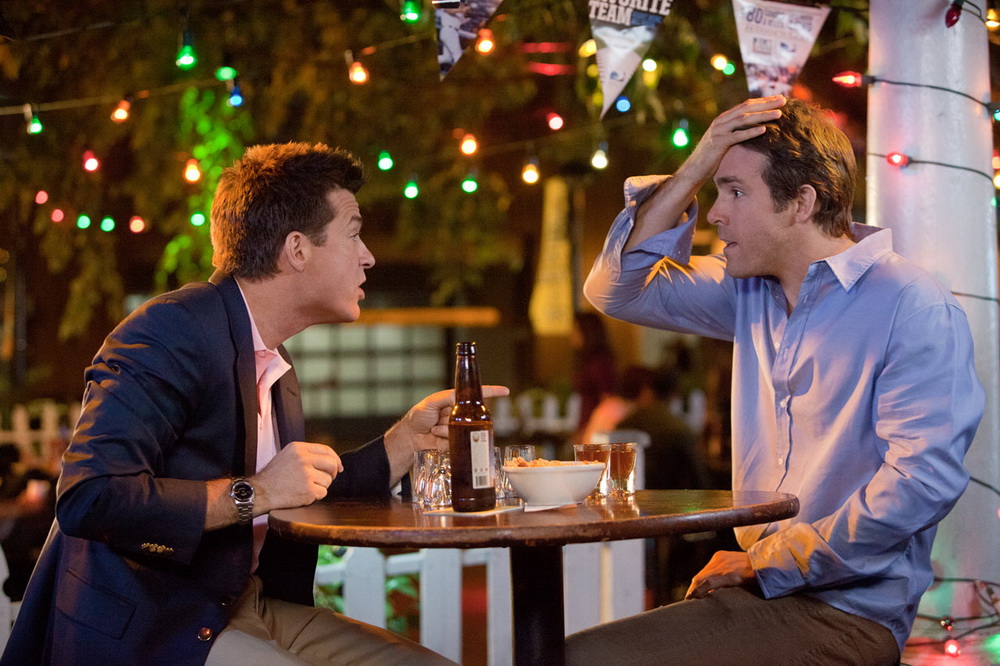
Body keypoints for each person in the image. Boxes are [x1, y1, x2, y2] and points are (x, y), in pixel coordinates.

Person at [3, 142, 508, 665]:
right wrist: (256, 492)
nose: (368, 256)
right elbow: (90, 496)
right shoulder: (170, 330)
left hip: (245, 606)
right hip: (154, 626)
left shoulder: (271, 357)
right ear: (297, 250)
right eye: (354, 233)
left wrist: (404, 442)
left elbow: (298, 489)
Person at [567, 96, 984, 664]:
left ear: (801, 203)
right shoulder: (748, 292)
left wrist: (767, 562)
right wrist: (698, 164)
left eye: (735, 192)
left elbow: (921, 483)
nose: (714, 214)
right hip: (758, 593)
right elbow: (613, 289)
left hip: (848, 612)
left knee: (581, 659)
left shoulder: (911, 303)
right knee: (564, 654)